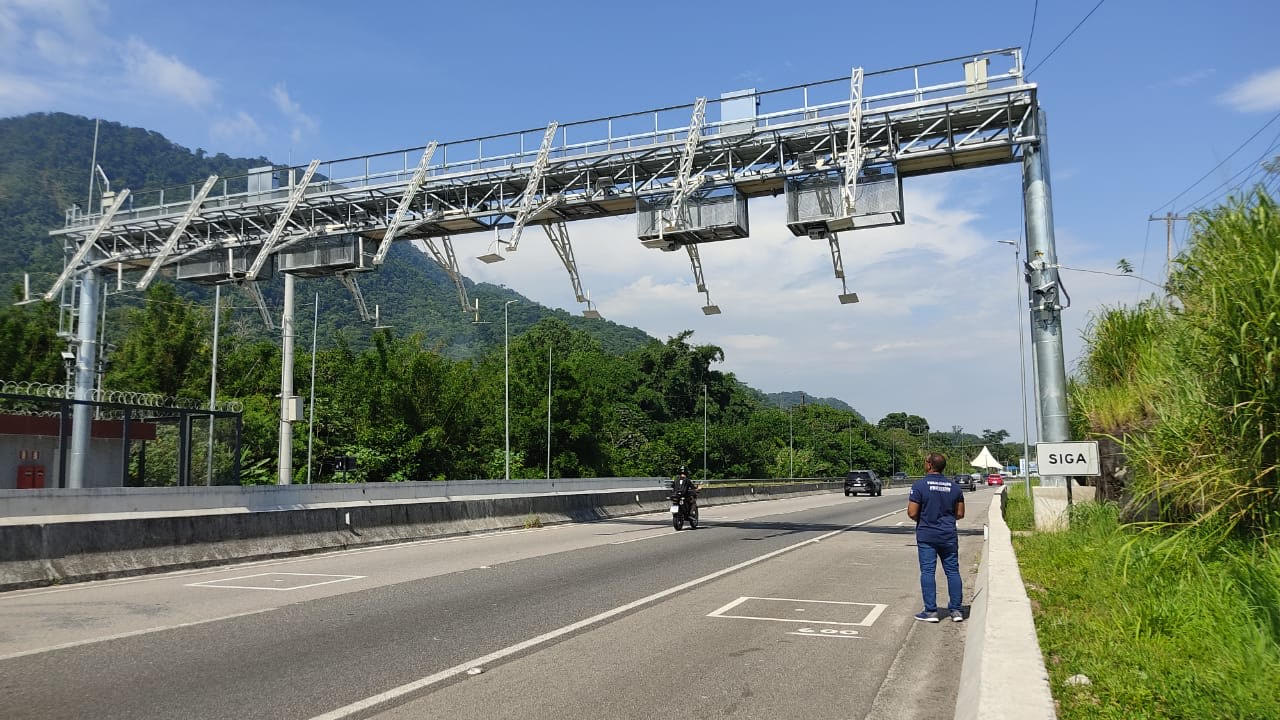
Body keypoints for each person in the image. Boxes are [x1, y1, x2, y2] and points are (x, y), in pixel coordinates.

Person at [907, 452, 966, 623]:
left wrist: (926, 518)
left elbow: (912, 512)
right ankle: (956, 610)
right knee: (952, 571)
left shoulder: (920, 486)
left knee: (928, 571)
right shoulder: (954, 487)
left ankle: (931, 611)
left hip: (927, 534)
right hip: (948, 535)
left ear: (930, 465)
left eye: (925, 462)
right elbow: (960, 514)